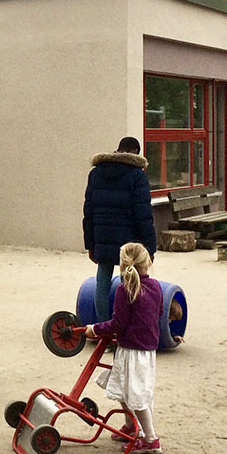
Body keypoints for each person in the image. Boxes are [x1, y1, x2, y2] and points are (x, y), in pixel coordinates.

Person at [88, 241, 165, 454]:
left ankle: (151, 439)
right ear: (147, 262)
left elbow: (117, 323)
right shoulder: (156, 286)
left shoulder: (125, 290)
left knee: (137, 394)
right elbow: (158, 313)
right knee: (123, 385)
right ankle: (130, 426)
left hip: (132, 350)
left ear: (122, 266)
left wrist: (94, 329)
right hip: (146, 349)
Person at [82, 136, 157, 325]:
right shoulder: (137, 175)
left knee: (102, 283)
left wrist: (90, 244)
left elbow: (88, 211)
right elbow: (144, 214)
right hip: (129, 241)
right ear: (136, 153)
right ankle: (126, 328)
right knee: (130, 284)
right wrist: (149, 247)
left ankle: (103, 330)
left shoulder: (96, 173)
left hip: (102, 237)